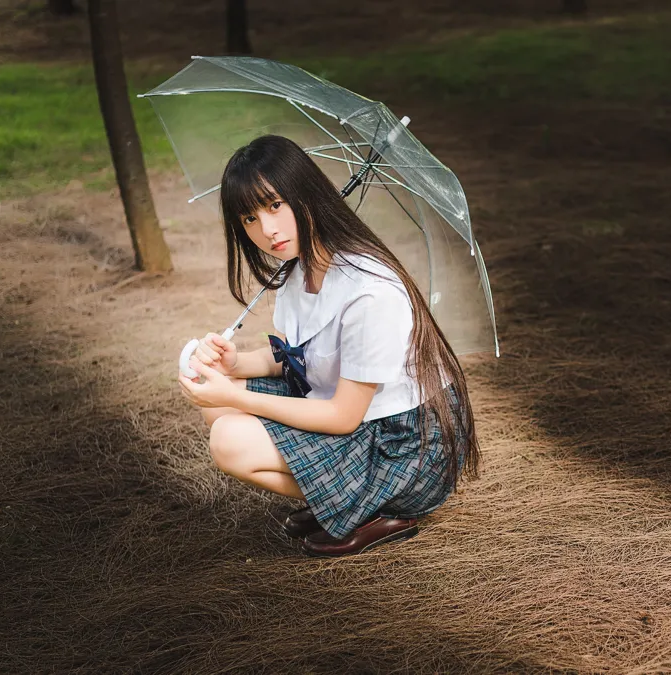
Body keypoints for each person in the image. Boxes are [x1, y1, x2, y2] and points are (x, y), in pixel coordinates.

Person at [176, 134, 479, 557]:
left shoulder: (369, 292)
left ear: (305, 193)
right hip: (354, 416)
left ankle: (376, 509)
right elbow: (296, 360)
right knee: (217, 406)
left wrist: (234, 393)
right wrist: (236, 364)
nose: (267, 230)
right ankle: (337, 500)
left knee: (229, 438)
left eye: (274, 205)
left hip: (403, 447)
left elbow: (341, 416)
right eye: (249, 218)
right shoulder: (299, 270)